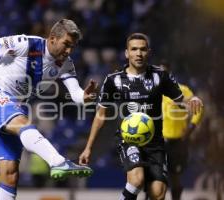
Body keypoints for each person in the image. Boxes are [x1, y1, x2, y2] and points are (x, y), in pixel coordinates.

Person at [0, 19, 95, 200]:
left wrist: (84, 97)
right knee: (23, 123)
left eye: (72, 47)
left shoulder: (66, 63)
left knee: (10, 174)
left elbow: (75, 93)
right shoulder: (26, 43)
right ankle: (58, 162)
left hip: (14, 106)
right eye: (66, 44)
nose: (69, 51)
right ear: (52, 38)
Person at [79, 33, 203, 200]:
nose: (138, 53)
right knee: (137, 180)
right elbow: (101, 115)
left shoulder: (160, 76)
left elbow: (182, 100)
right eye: (134, 49)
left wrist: (193, 99)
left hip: (155, 142)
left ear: (148, 52)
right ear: (126, 53)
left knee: (158, 193)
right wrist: (88, 147)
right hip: (129, 139)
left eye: (143, 49)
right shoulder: (114, 80)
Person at [162, 76, 203, 200]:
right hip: (159, 141)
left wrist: (191, 127)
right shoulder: (153, 89)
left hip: (177, 141)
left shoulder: (182, 90)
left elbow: (198, 108)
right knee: (155, 176)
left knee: (175, 176)